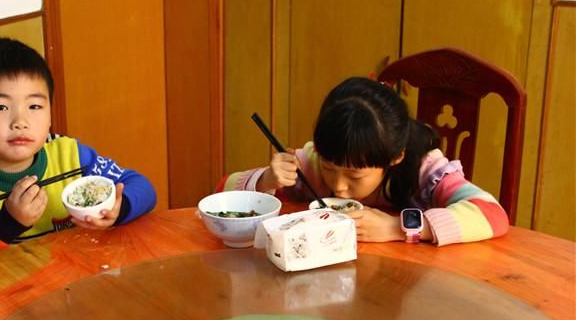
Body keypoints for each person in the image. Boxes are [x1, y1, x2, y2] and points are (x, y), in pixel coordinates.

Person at [0, 38, 156, 276]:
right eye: (1, 107)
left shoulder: (69, 154)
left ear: (51, 113)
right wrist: (6, 224)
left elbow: (142, 187)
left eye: (34, 106)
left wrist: (118, 210)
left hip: (69, 285)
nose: (20, 122)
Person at [217, 77, 508, 245]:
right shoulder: (315, 163)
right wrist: (267, 179)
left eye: (355, 177)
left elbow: (492, 215)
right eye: (331, 170)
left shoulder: (425, 170)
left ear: (395, 157)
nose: (339, 187)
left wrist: (398, 228)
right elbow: (222, 194)